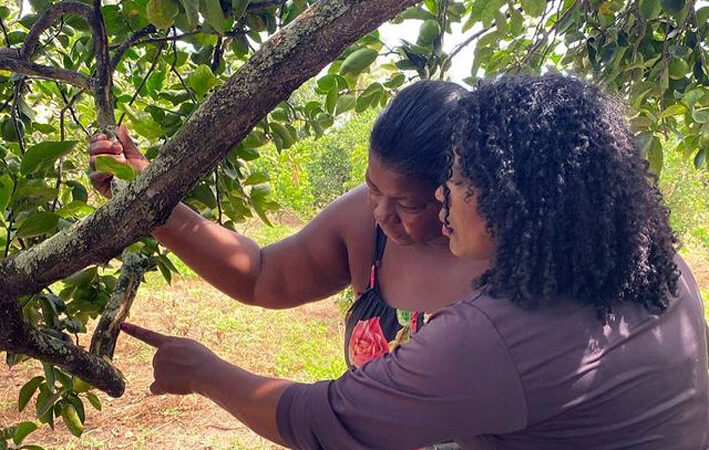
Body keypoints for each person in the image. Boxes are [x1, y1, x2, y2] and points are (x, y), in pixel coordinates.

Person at [120, 74, 708, 449]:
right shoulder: (642, 258)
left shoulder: (495, 331)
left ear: (510, 197)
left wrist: (203, 371)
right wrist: (155, 202)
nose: (447, 196)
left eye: (454, 180)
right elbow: (266, 272)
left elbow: (328, 419)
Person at [89, 81, 488, 369]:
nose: (382, 213)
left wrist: (210, 376)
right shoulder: (364, 227)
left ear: (461, 189)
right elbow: (262, 275)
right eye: (372, 188)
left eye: (408, 204)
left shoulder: (514, 255)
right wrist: (148, 196)